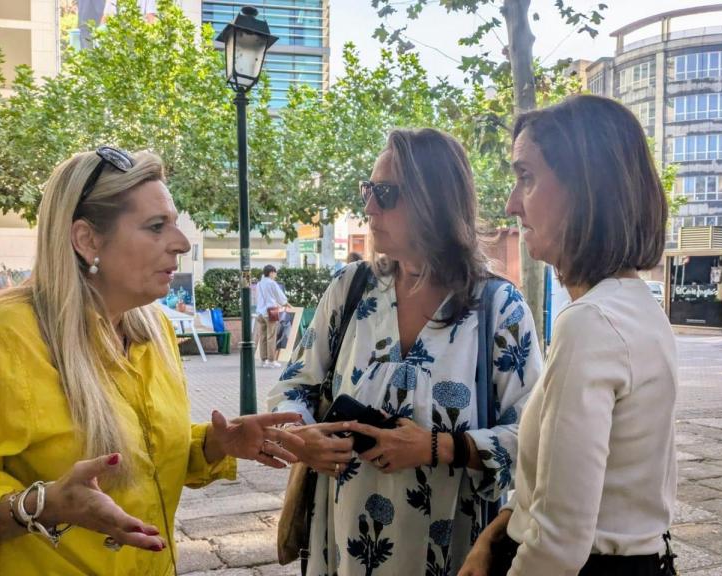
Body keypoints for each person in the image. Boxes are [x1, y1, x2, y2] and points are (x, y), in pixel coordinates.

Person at [0, 147, 302, 576]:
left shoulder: (153, 331)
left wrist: (214, 444)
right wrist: (43, 505)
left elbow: (138, 458)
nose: (181, 243)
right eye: (155, 226)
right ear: (87, 240)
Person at [269, 128, 543, 575]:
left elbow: (534, 438)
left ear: (435, 202)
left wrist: (439, 447)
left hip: (451, 554)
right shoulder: (350, 290)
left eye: (386, 193)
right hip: (342, 544)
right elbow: (293, 386)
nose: (369, 207)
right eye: (368, 190)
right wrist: (304, 436)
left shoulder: (497, 308)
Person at [459, 95, 678, 576]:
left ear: (587, 189)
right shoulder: (637, 306)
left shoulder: (591, 323)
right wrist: (495, 535)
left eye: (528, 177)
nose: (513, 203)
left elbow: (558, 547)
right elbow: (564, 486)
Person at [255, 264, 288, 368]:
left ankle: (263, 360)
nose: (275, 275)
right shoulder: (272, 283)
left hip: (260, 313)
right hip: (270, 312)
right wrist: (285, 303)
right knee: (271, 336)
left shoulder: (259, 284)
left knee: (263, 337)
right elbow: (281, 297)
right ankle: (271, 360)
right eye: (275, 273)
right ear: (271, 273)